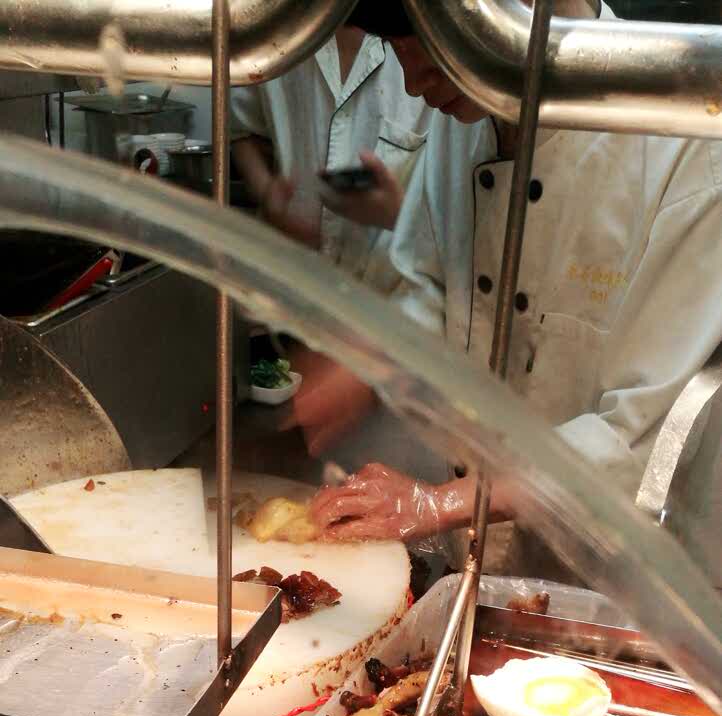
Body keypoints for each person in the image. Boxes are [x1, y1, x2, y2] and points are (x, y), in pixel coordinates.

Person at [308, 0, 722, 547]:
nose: (412, 84)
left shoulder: (684, 139)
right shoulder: (469, 115)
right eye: (393, 46)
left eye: (430, 43)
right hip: (484, 544)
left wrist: (439, 502)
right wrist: (370, 358)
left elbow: (642, 434)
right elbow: (431, 286)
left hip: (631, 564)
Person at [231, 24, 430, 293]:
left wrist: (399, 216)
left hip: (391, 295)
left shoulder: (426, 41)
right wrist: (266, 192)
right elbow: (241, 129)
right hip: (292, 280)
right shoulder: (277, 25)